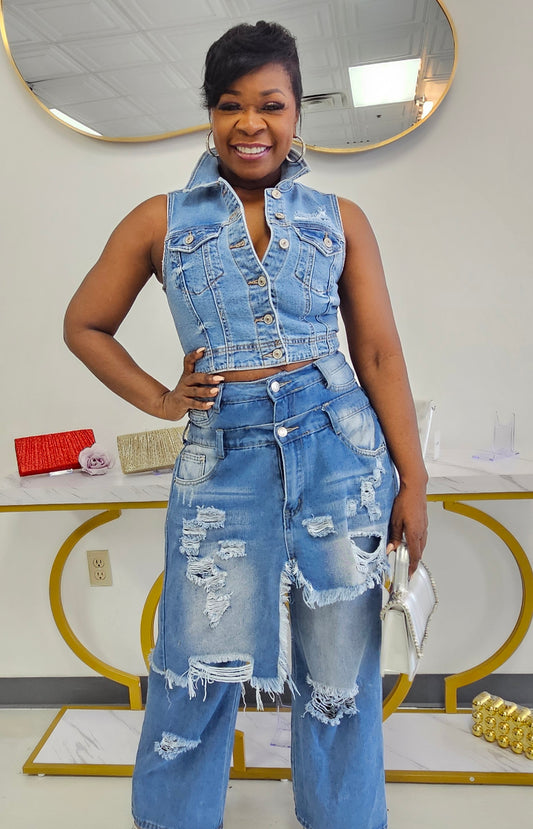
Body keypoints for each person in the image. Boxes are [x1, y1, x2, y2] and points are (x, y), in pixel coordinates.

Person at [64, 20, 428, 829]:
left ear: (297, 112)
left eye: (271, 104)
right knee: (194, 667)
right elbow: (84, 324)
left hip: (340, 456)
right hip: (223, 459)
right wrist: (163, 399)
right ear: (210, 114)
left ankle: (341, 817)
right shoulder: (160, 220)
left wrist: (414, 477)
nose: (250, 124)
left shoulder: (340, 217)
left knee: (339, 673)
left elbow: (376, 353)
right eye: (231, 105)